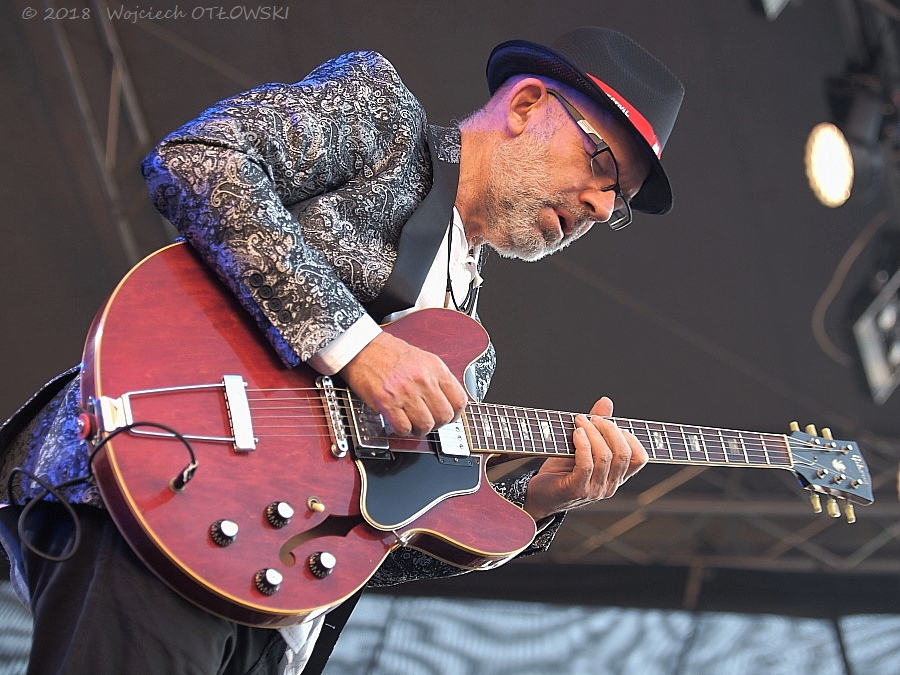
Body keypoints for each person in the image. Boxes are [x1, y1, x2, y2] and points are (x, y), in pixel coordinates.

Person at [0, 26, 684, 674]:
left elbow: (379, 534)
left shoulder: (470, 357)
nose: (601, 207)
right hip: (165, 474)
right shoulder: (385, 122)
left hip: (272, 609)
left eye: (618, 199)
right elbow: (201, 158)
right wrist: (358, 348)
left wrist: (533, 499)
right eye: (601, 163)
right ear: (527, 105)